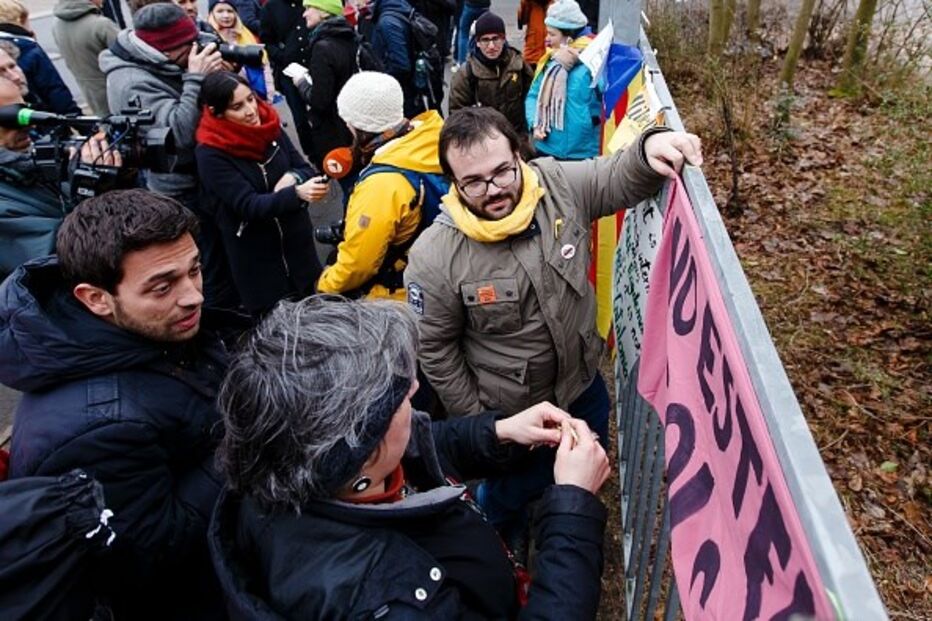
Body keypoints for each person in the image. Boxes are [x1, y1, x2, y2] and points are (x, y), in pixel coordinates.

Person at [404, 107, 701, 548]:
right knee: (507, 500)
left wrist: (649, 147)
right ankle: (504, 548)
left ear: (519, 156)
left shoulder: (557, 186)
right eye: (475, 182)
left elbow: (615, 176)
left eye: (503, 171)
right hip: (514, 417)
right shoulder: (433, 256)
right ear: (454, 183)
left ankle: (557, 523)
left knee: (578, 473)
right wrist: (482, 422)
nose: (494, 190)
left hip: (582, 388)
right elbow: (436, 350)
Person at [210, 296, 612, 619]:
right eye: (401, 397)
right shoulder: (386, 600)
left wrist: (497, 432)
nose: (416, 387)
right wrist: (573, 507)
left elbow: (415, 446)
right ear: (362, 454)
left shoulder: (292, 468)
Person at [0, 190, 231, 619]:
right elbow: (153, 554)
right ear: (95, 298)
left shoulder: (150, 328)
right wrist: (246, 435)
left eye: (194, 270)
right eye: (163, 286)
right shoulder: (96, 429)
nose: (194, 296)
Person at [195, 71, 326, 316]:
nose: (250, 110)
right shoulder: (210, 153)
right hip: (260, 262)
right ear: (217, 112)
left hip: (300, 251)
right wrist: (295, 194)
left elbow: (304, 168)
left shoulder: (270, 126)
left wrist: (293, 177)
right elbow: (247, 205)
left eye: (250, 99)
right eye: (237, 106)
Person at [317, 72, 444, 300]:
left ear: (357, 124)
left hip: (402, 295)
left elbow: (358, 264)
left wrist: (325, 283)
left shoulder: (381, 185)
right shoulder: (429, 137)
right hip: (439, 274)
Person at [100, 2, 223, 205]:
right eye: (190, 45)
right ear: (166, 52)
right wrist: (195, 78)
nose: (197, 49)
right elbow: (178, 136)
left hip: (206, 171)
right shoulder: (130, 83)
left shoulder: (167, 57)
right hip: (182, 188)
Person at [0, 78, 122, 280]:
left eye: (26, 110)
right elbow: (62, 261)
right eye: (10, 118)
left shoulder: (23, 164)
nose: (26, 125)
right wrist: (92, 196)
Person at [290, 0, 360, 170]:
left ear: (323, 11)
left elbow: (320, 100)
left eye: (308, 8)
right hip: (355, 123)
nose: (304, 14)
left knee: (346, 180)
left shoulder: (322, 47)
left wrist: (301, 82)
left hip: (335, 130)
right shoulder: (348, 35)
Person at [525, 0, 600, 160]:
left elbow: (607, 100)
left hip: (583, 152)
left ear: (569, 36)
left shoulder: (594, 61)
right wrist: (535, 124)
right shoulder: (549, 61)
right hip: (546, 148)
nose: (547, 39)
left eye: (552, 34)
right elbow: (533, 96)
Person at [449, 11, 534, 138]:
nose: (491, 46)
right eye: (485, 40)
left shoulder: (519, 65)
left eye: (496, 39)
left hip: (517, 138)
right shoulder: (466, 74)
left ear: (504, 39)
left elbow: (533, 99)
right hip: (483, 142)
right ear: (477, 42)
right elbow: (457, 117)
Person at [0, 0, 81, 115]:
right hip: (47, 118)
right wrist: (77, 119)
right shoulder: (28, 47)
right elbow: (54, 89)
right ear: (20, 20)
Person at [261, 0, 315, 158]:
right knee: (300, 119)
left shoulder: (308, 3)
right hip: (289, 71)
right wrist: (283, 57)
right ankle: (313, 156)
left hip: (316, 62)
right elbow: (267, 41)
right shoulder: (270, 8)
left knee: (323, 107)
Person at [52, 0, 120, 116]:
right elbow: (129, 54)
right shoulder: (101, 25)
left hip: (90, 94)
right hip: (115, 94)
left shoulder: (57, 24)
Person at [207, 0, 275, 100]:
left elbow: (264, 64)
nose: (226, 16)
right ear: (212, 13)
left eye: (230, 11)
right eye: (220, 11)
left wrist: (269, 93)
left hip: (255, 94)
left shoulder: (245, 34)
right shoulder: (209, 38)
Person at [454, 0, 488, 67]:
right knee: (484, 33)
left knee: (464, 34)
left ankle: (462, 62)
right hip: (484, 6)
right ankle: (485, 59)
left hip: (470, 5)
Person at [516, 0, 550, 68]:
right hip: (532, 54)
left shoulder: (555, 4)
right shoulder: (529, 3)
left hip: (550, 55)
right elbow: (522, 20)